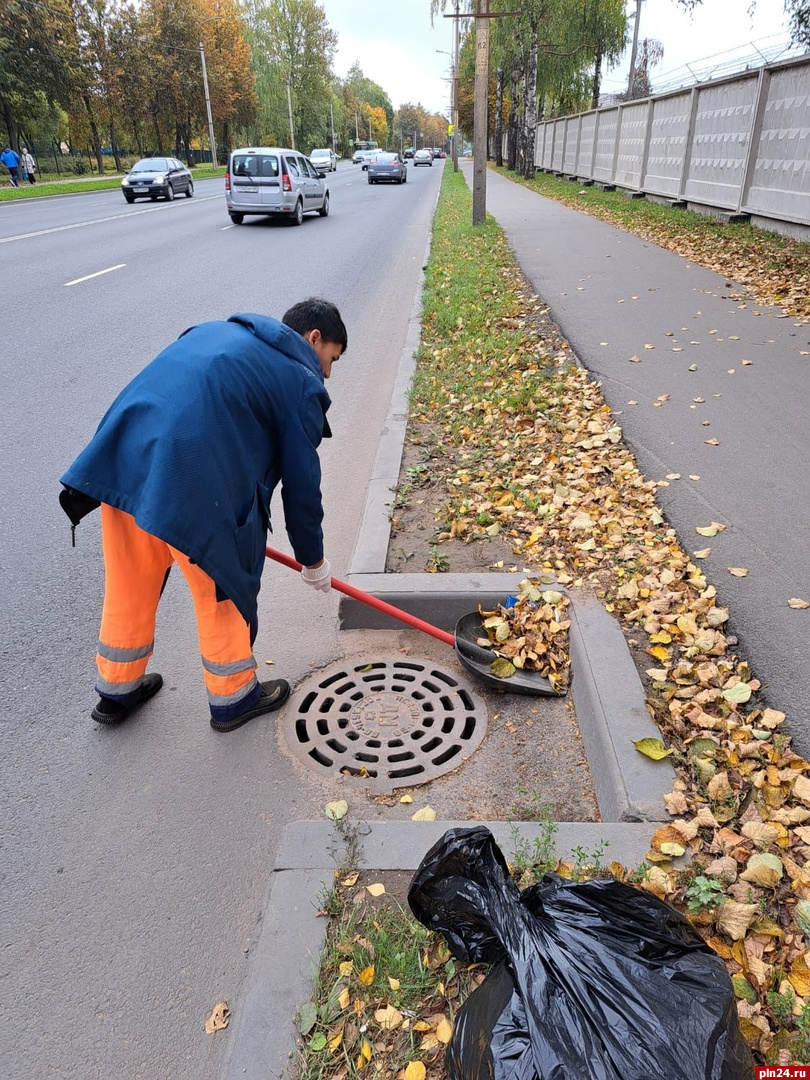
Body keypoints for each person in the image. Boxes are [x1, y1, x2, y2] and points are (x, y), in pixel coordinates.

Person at [59, 298, 347, 733]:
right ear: (314, 339)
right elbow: (302, 484)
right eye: (331, 359)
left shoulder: (217, 331)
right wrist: (313, 561)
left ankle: (117, 690)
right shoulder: (300, 381)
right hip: (192, 485)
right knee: (222, 585)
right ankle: (234, 696)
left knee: (131, 582)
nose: (327, 373)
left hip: (123, 463)